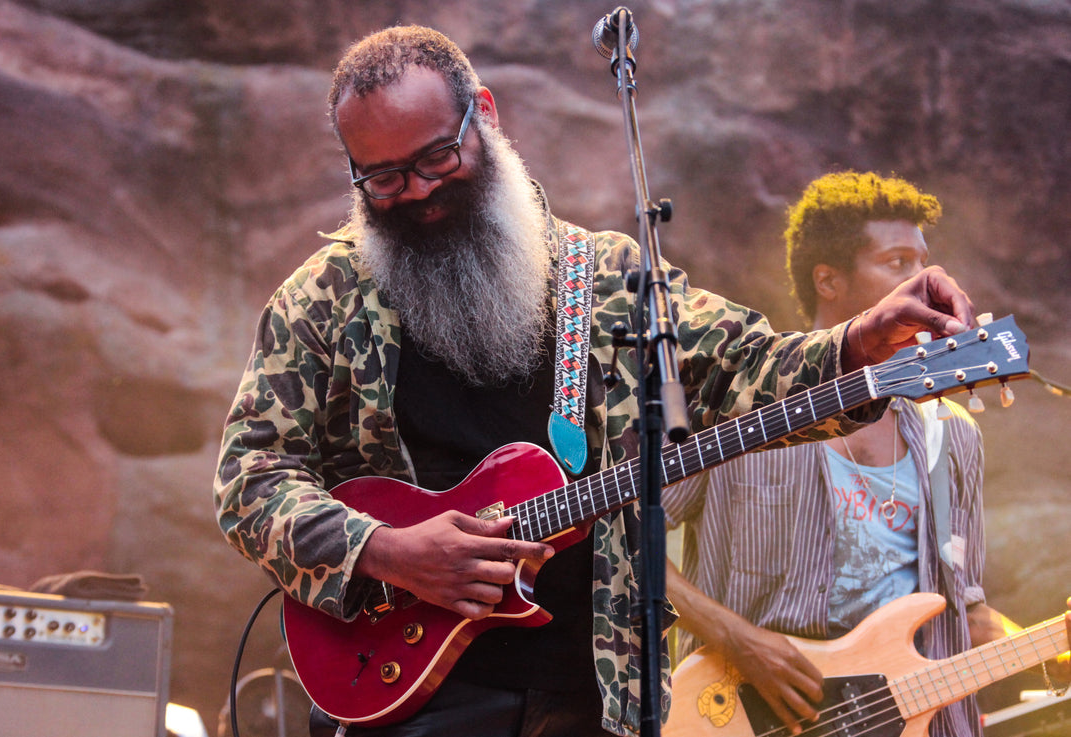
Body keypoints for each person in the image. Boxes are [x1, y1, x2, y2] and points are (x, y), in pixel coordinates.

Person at [213, 28, 975, 737]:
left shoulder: (607, 279)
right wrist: (385, 548)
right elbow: (248, 477)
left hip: (594, 689)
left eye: (436, 158)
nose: (415, 191)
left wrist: (858, 343)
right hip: (405, 692)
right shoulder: (325, 299)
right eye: (382, 177)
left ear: (484, 113)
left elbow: (746, 367)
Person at [664, 171, 1068, 737]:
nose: (924, 280)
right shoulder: (741, 406)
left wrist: (1054, 647)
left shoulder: (952, 435)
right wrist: (740, 641)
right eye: (898, 261)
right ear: (827, 280)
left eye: (925, 260)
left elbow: (964, 612)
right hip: (746, 715)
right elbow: (621, 534)